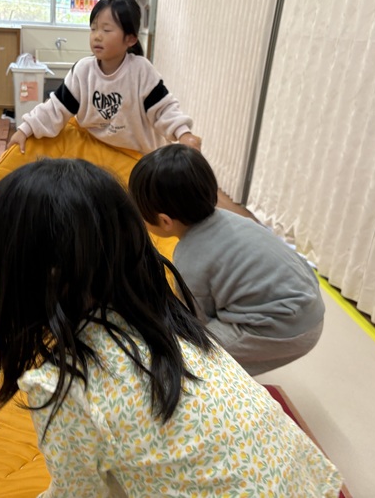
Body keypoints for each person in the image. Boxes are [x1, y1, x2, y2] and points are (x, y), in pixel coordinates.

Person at [0, 158, 342, 497]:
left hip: (277, 328)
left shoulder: (63, 386)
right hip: (305, 482)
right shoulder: (176, 324)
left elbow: (77, 492)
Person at [129, 144, 326, 376]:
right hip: (310, 308)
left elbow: (196, 321)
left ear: (164, 221)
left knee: (188, 353)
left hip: (288, 330)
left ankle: (227, 390)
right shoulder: (232, 218)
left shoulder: (190, 257)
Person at [7, 0, 201, 155]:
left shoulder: (141, 70)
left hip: (136, 155)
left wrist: (183, 133)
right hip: (94, 151)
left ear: (130, 39)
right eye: (93, 29)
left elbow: (163, 109)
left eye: (106, 29)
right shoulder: (83, 70)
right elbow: (56, 108)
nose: (97, 35)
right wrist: (25, 129)